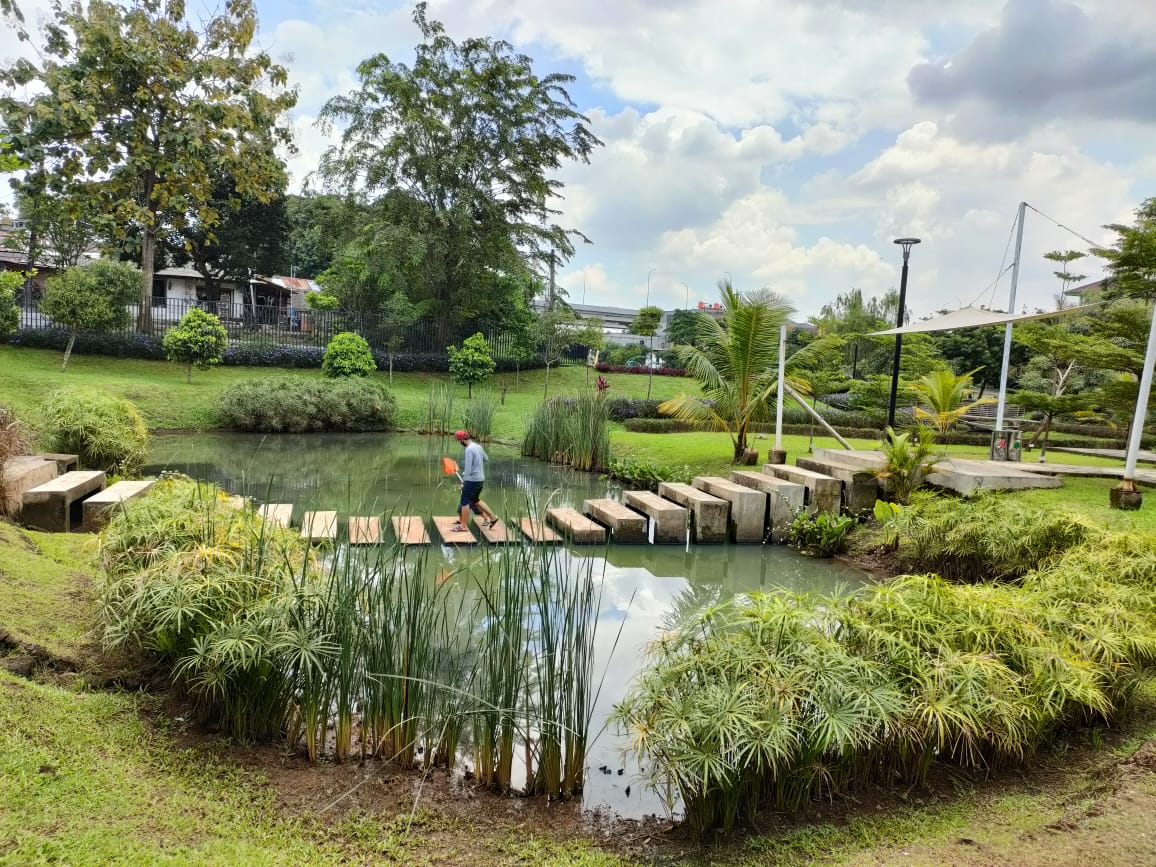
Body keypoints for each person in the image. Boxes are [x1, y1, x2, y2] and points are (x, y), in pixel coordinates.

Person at [452, 429, 498, 531]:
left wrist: (464, 480)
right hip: (480, 479)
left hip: (472, 480)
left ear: (462, 440)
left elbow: (468, 468)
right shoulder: (478, 446)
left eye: (459, 441)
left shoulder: (468, 449)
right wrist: (477, 467)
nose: (460, 443)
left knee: (465, 502)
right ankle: (493, 518)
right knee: (475, 500)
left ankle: (463, 526)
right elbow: (486, 459)